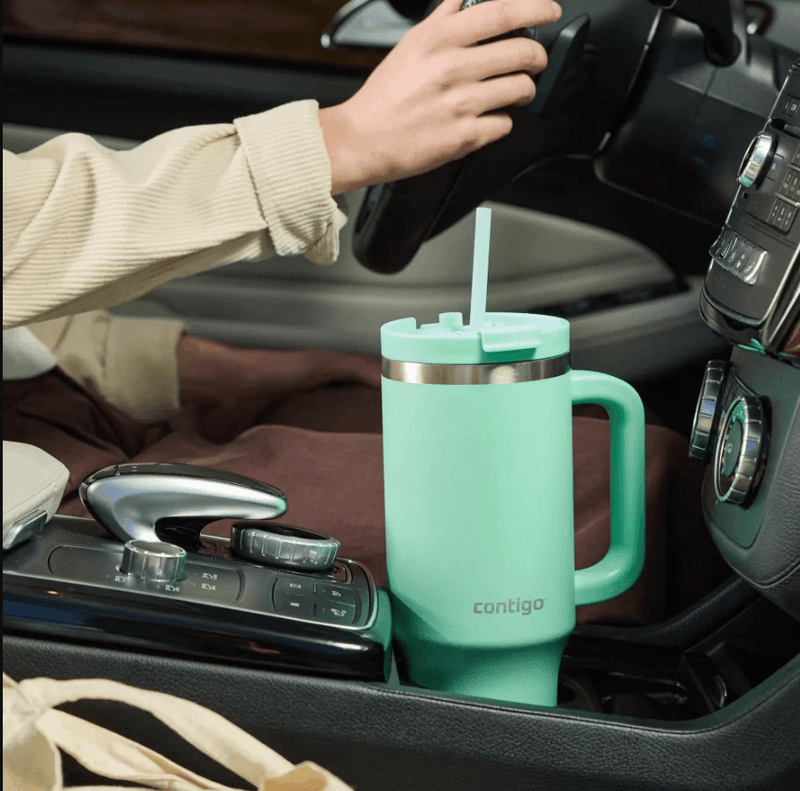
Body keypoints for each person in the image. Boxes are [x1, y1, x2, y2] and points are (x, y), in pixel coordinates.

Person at [3, 0, 722, 623]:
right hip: (33, 496)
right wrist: (341, 142)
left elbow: (47, 328)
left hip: (71, 411)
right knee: (631, 481)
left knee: (586, 435)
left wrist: (305, 367)